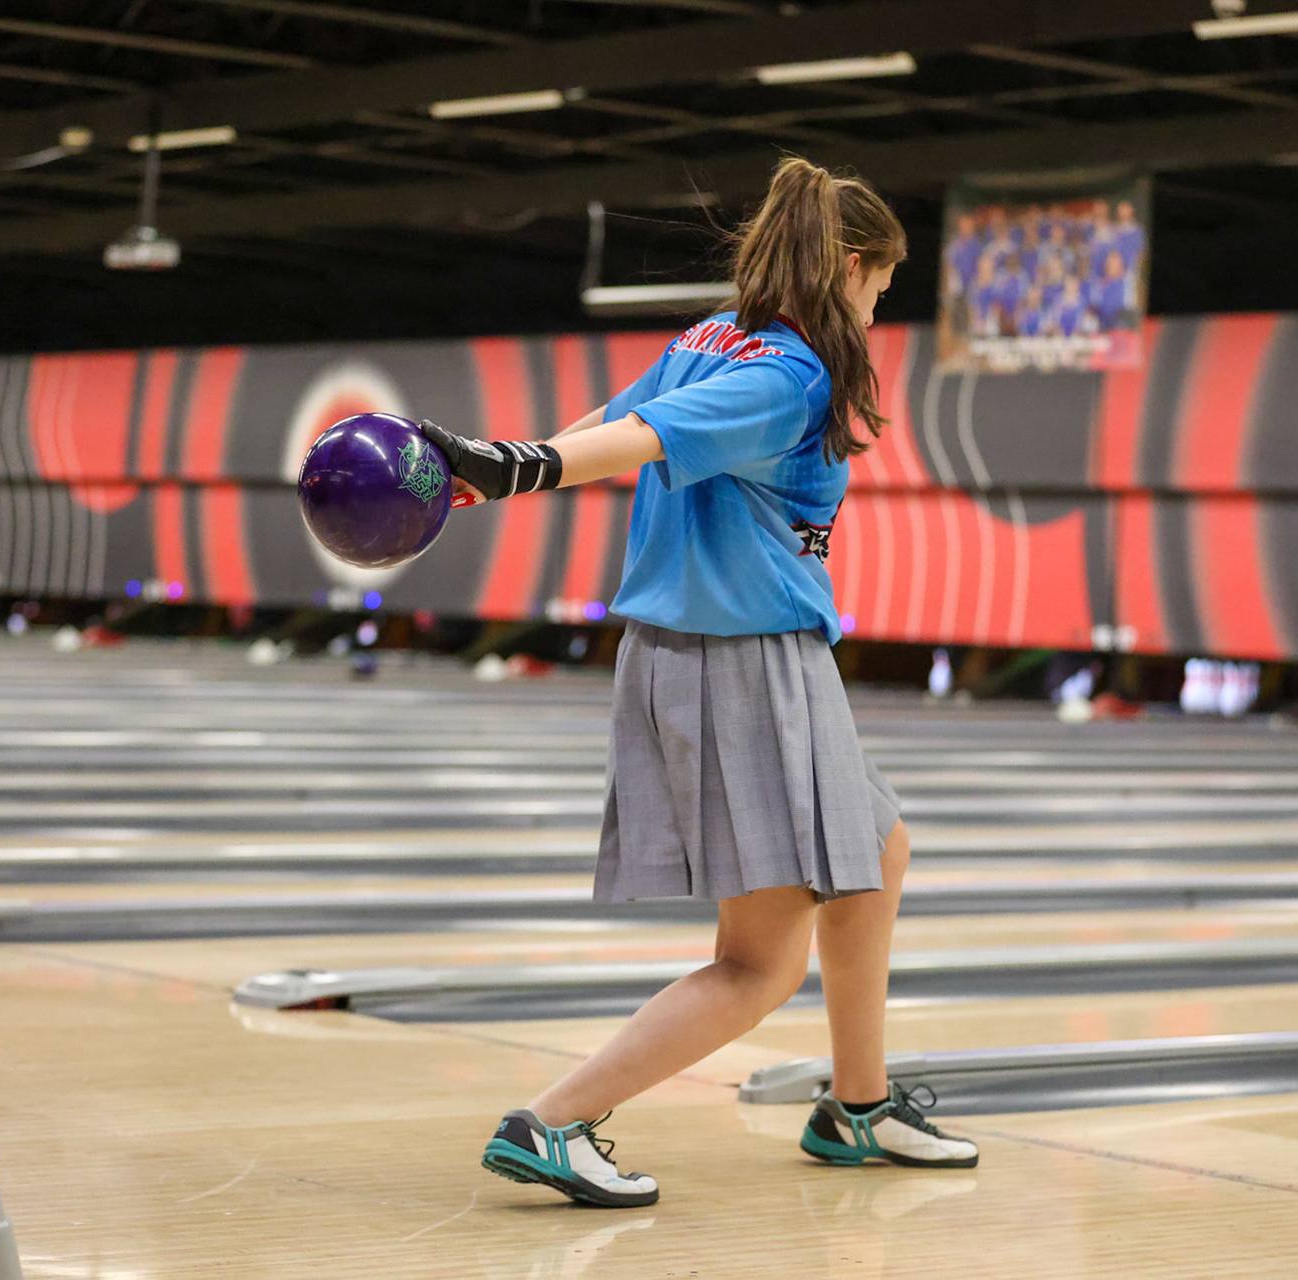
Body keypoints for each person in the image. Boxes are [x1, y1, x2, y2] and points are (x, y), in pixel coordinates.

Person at [415, 156, 980, 1210]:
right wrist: (516, 468)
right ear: (853, 264)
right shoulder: (792, 373)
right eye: (883, 285)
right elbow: (644, 434)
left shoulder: (711, 338)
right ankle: (554, 1122)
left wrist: (507, 468)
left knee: (877, 851)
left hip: (721, 654)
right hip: (744, 660)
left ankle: (858, 1104)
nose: (879, 306)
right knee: (759, 965)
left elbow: (613, 419)